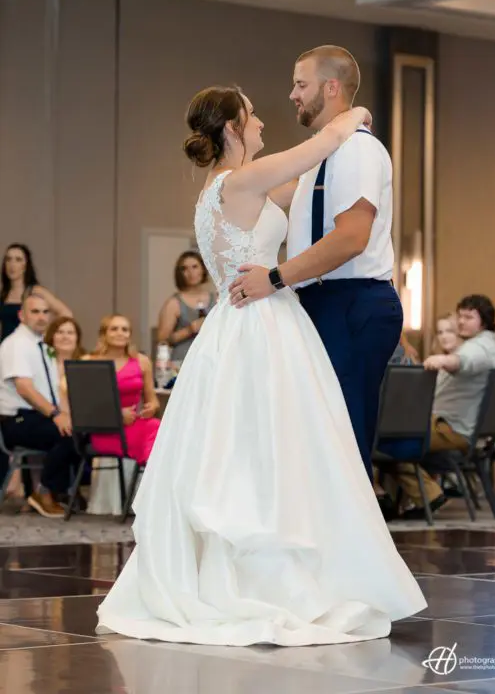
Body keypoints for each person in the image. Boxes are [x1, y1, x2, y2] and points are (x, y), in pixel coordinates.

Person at [96, 85, 426, 647]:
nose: (263, 125)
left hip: (239, 323)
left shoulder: (225, 188)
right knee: (269, 444)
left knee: (253, 443)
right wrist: (357, 115)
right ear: (231, 128)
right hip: (261, 324)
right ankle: (268, 573)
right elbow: (322, 143)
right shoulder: (241, 179)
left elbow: (307, 186)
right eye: (252, 118)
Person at [229, 46, 402, 481]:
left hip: (352, 301)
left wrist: (275, 277)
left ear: (331, 87)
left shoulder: (359, 152)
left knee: (343, 433)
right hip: (323, 302)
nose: (291, 95)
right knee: (319, 434)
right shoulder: (322, 154)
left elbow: (351, 238)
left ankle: (354, 543)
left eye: (300, 84)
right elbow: (268, 196)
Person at [394, 294, 495, 519]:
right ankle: (421, 494)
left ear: (483, 321)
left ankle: (424, 494)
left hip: (452, 429)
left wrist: (443, 360)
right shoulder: (486, 345)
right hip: (456, 427)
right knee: (390, 435)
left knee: (385, 438)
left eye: (469, 317)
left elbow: (464, 362)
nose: (462, 322)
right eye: (460, 316)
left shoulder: (479, 347)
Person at [0, 292, 79, 517]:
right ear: (21, 315)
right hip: (17, 420)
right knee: (68, 434)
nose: (42, 317)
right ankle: (43, 492)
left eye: (46, 312)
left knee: (78, 430)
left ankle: (55, 491)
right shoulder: (17, 344)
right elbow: (25, 389)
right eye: (35, 312)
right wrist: (56, 415)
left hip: (34, 417)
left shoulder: (40, 346)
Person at [84, 315, 160, 465]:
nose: (120, 333)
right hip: (104, 430)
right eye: (114, 329)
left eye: (125, 329)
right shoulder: (90, 361)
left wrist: (152, 407)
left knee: (158, 427)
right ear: (104, 334)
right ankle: (150, 480)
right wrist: (116, 414)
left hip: (134, 424)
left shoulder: (142, 361)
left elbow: (152, 400)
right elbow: (85, 405)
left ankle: (149, 478)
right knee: (156, 433)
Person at [0, 243, 71, 343]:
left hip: (29, 347)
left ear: (25, 266)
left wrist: (48, 333)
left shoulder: (36, 291)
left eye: (18, 259)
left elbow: (66, 313)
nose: (12, 264)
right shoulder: (3, 294)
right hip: (6, 350)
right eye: (8, 259)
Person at [157, 251, 216, 363]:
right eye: (184, 268)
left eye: (195, 267)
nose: (191, 272)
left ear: (203, 269)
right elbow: (162, 340)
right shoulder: (174, 303)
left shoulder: (217, 299)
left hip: (212, 361)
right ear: (180, 273)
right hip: (183, 363)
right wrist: (190, 330)